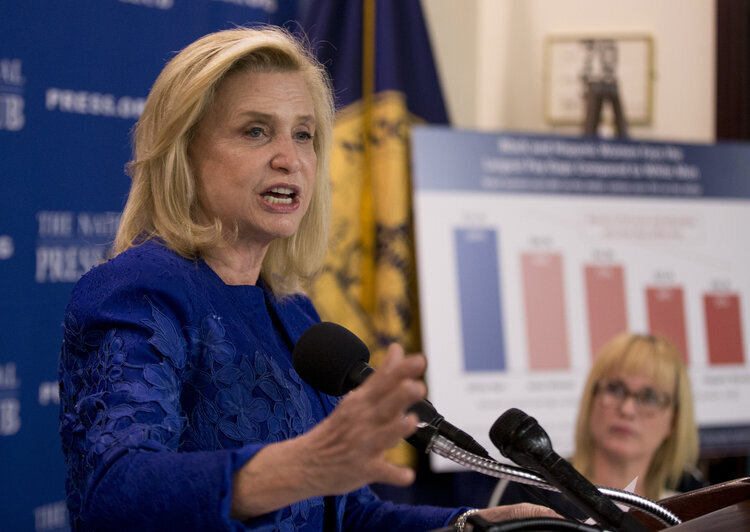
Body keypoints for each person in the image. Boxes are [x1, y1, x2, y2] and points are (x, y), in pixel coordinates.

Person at [58, 26, 556, 531]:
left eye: (304, 135)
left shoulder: (297, 315)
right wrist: (299, 467)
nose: (290, 159)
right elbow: (114, 492)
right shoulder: (138, 293)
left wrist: (471, 525)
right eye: (256, 131)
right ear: (182, 151)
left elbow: (349, 515)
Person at [490, 333, 701, 512]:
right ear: (591, 400)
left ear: (674, 421)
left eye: (649, 397)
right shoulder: (531, 488)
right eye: (615, 389)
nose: (627, 409)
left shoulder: (693, 497)